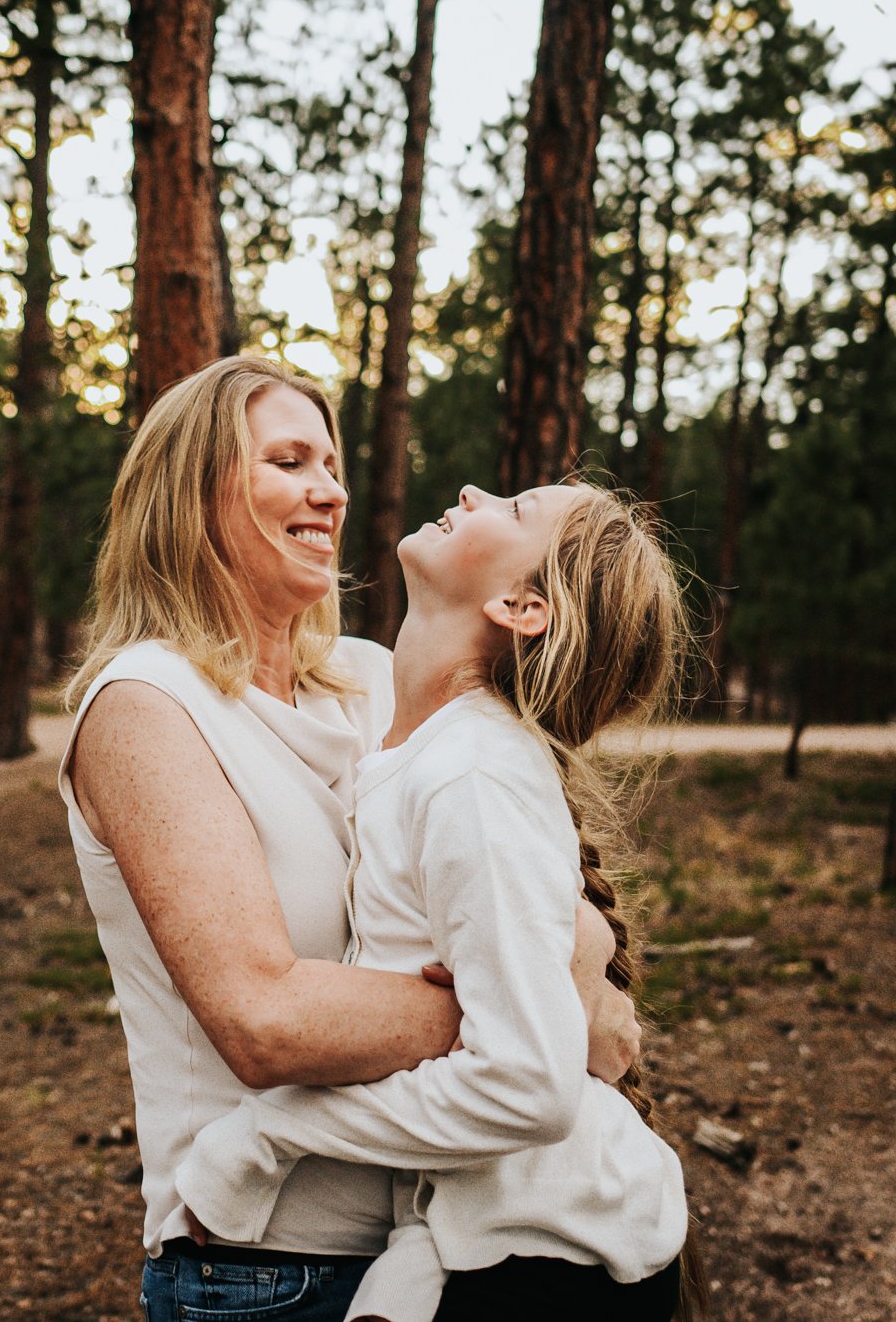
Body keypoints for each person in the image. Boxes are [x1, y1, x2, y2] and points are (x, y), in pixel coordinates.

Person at [57, 356, 643, 1322]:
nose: (328, 490)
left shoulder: (378, 681)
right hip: (267, 1264)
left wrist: (553, 976)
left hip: (451, 1244)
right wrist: (531, 1023)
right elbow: (266, 1019)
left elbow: (561, 914)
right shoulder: (145, 708)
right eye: (288, 461)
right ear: (187, 495)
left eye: (330, 463)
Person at [172, 481, 706, 1322]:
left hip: (554, 1263)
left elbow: (527, 1084)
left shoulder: (471, 773)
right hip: (479, 1237)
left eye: (516, 508)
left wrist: (268, 1134)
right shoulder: (427, 753)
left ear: (520, 606)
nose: (472, 490)